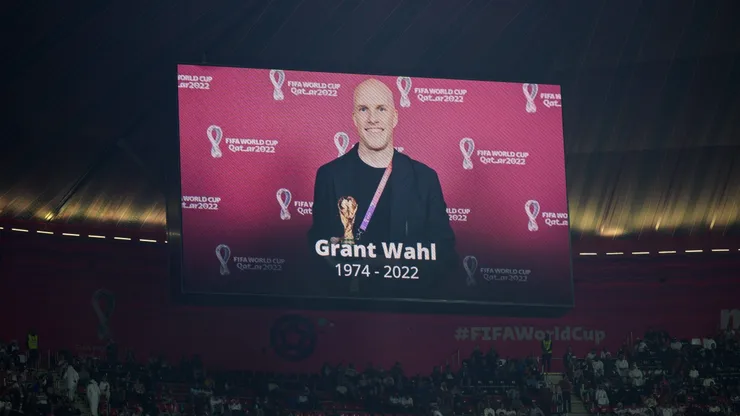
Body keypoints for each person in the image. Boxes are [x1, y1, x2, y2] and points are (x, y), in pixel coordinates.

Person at [308, 78, 457, 293]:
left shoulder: (425, 178)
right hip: (349, 300)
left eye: (381, 109)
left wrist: (396, 266)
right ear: (354, 118)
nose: (372, 119)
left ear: (394, 117)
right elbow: (316, 246)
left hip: (406, 300)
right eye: (363, 109)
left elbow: (444, 253)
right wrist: (329, 251)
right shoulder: (329, 175)